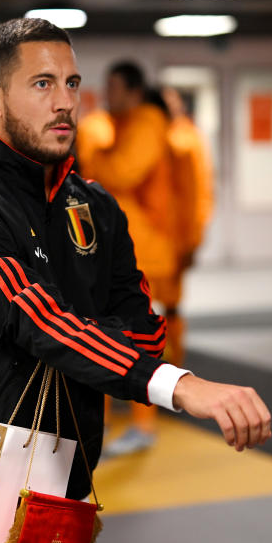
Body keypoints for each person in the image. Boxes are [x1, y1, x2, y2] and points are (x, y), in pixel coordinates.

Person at [0, 18, 272, 543]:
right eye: (42, 84)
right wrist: (179, 385)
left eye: (71, 83)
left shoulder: (94, 206)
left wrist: (99, 342)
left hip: (63, 487)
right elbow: (38, 323)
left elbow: (141, 328)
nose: (65, 102)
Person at [77, 63, 179, 455]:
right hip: (126, 245)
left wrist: (91, 152)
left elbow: (122, 172)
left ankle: (143, 424)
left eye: (114, 87)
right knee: (106, 335)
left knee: (134, 338)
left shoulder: (147, 124)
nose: (107, 94)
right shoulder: (127, 124)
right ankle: (105, 425)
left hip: (142, 249)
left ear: (134, 90)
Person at [162, 85, 215, 366]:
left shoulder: (189, 140)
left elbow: (201, 192)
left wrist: (195, 238)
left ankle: (174, 361)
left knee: (172, 304)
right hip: (147, 237)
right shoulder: (149, 136)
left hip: (177, 239)